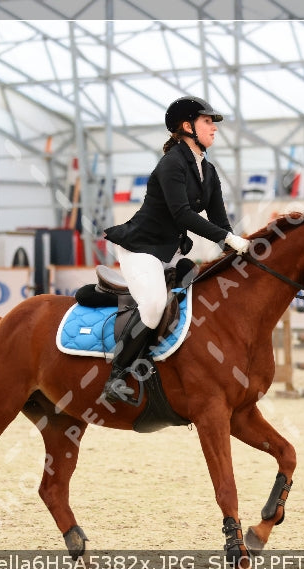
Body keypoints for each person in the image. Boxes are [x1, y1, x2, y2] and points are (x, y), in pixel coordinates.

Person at [100, 95, 250, 403]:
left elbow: (221, 222)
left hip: (171, 252)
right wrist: (228, 239)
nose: (214, 128)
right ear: (187, 126)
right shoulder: (171, 164)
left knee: (201, 291)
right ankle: (117, 376)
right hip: (141, 249)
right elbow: (183, 214)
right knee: (154, 306)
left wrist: (236, 249)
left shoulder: (207, 171)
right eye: (207, 121)